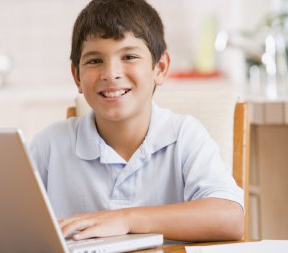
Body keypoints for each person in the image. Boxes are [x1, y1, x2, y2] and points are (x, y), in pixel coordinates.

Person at [30, 0, 244, 242]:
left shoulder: (185, 135)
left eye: (129, 56)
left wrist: (126, 219)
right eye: (94, 60)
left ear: (160, 68)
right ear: (77, 76)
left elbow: (231, 218)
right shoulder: (49, 145)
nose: (111, 73)